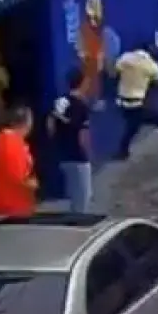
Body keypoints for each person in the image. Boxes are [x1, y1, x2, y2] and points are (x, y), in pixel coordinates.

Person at [48, 67, 94, 213]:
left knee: (72, 195)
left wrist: (57, 141)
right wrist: (87, 154)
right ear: (83, 83)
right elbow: (83, 135)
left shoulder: (60, 102)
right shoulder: (81, 106)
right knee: (83, 198)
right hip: (78, 158)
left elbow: (50, 124)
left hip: (63, 156)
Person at [0, 105, 38, 218]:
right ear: (28, 123)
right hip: (11, 207)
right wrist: (32, 184)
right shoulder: (13, 143)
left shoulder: (0, 139)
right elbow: (16, 176)